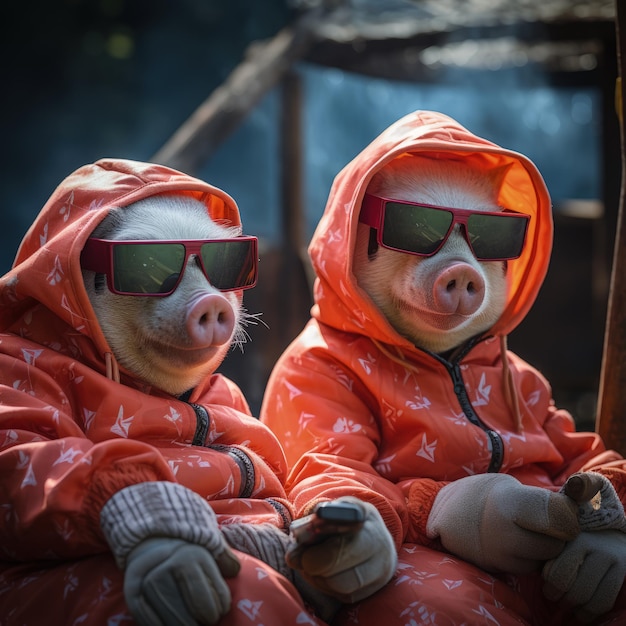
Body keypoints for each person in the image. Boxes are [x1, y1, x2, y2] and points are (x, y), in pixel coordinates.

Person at [260, 110, 626, 625]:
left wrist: (609, 520)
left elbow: (578, 457)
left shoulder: (510, 373)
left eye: (491, 236)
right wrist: (445, 508)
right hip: (430, 562)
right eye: (415, 226)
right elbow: (330, 483)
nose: (461, 267)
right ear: (352, 238)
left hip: (558, 568)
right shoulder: (320, 366)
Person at [0, 158, 339, 625]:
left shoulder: (220, 395)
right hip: (59, 582)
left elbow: (281, 490)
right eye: (148, 266)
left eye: (221, 262)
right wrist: (127, 501)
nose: (206, 298)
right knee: (240, 594)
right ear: (73, 279)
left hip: (233, 565)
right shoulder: (18, 369)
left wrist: (307, 534)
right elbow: (16, 468)